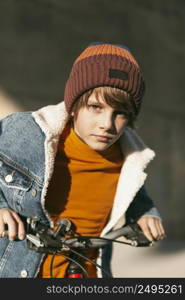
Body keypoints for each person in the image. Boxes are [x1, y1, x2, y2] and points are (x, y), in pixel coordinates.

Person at [0, 42, 165, 278]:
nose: (107, 125)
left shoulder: (129, 158)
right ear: (74, 105)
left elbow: (131, 189)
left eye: (120, 113)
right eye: (96, 107)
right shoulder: (29, 134)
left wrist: (144, 211)